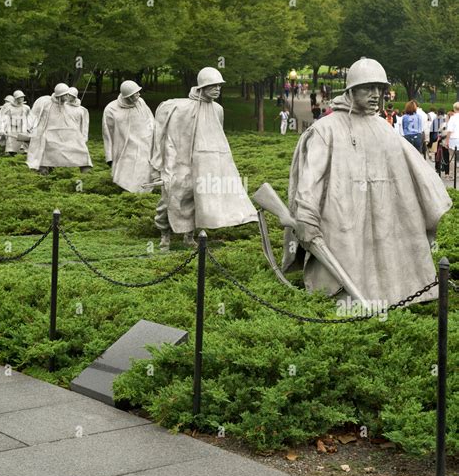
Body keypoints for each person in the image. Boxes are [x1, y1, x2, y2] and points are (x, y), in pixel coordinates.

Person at [281, 57, 451, 306]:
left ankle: (397, 294)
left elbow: (414, 176)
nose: (375, 95)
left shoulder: (383, 128)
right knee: (344, 278)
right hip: (341, 223)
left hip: (383, 222)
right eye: (367, 88)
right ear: (351, 90)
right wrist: (306, 216)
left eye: (379, 89)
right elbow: (310, 182)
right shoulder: (325, 130)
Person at [150, 67, 258, 250]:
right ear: (202, 87)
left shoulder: (217, 110)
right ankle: (164, 234)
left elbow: (217, 139)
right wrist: (165, 165)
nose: (217, 89)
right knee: (170, 198)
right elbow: (168, 137)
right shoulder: (180, 108)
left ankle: (188, 236)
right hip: (180, 162)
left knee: (197, 199)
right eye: (213, 86)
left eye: (219, 86)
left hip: (205, 164)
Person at [27, 83, 92, 175]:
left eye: (68, 94)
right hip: (46, 134)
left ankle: (86, 171)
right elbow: (33, 115)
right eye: (65, 95)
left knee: (81, 149)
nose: (67, 97)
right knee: (46, 153)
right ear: (59, 95)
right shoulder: (45, 102)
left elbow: (70, 122)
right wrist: (30, 128)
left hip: (63, 135)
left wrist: (77, 135)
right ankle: (43, 171)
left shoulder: (68, 106)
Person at [102, 80, 155, 193]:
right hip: (125, 148)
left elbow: (150, 121)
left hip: (144, 145)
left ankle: (142, 197)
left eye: (138, 92)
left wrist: (155, 140)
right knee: (126, 174)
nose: (139, 94)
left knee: (144, 172)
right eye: (135, 93)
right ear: (128, 96)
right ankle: (127, 195)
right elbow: (107, 133)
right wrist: (109, 156)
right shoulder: (111, 109)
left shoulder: (141, 102)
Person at [0, 90, 32, 155]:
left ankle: (23, 151)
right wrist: (3, 128)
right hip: (12, 128)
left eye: (22, 97)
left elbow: (29, 118)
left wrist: (29, 128)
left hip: (22, 128)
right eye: (20, 97)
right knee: (11, 144)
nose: (22, 99)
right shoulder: (9, 108)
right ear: (16, 98)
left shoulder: (26, 108)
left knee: (23, 141)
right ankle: (11, 152)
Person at [445, 102, 459, 179]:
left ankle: (452, 174)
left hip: (454, 139)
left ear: (454, 108)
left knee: (452, 157)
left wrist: (447, 141)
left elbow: (449, 130)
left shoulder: (453, 118)